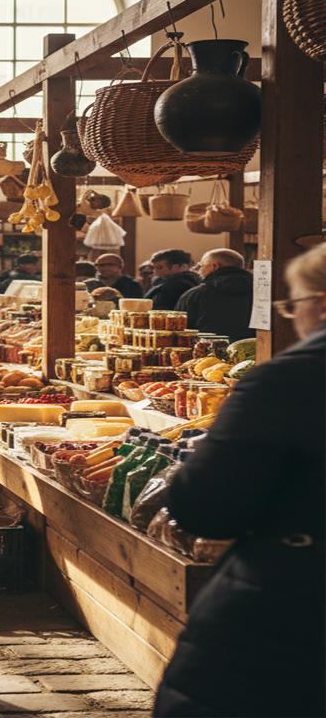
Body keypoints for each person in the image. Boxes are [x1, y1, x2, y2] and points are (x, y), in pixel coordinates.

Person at [154, 244, 325, 717]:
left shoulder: (290, 381)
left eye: (295, 305)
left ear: (323, 304)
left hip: (293, 606)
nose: (293, 318)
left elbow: (207, 506)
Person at [176, 249, 255, 342]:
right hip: (252, 350)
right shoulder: (262, 293)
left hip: (207, 353)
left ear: (215, 266)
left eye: (201, 266)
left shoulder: (194, 294)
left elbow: (180, 331)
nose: (199, 271)